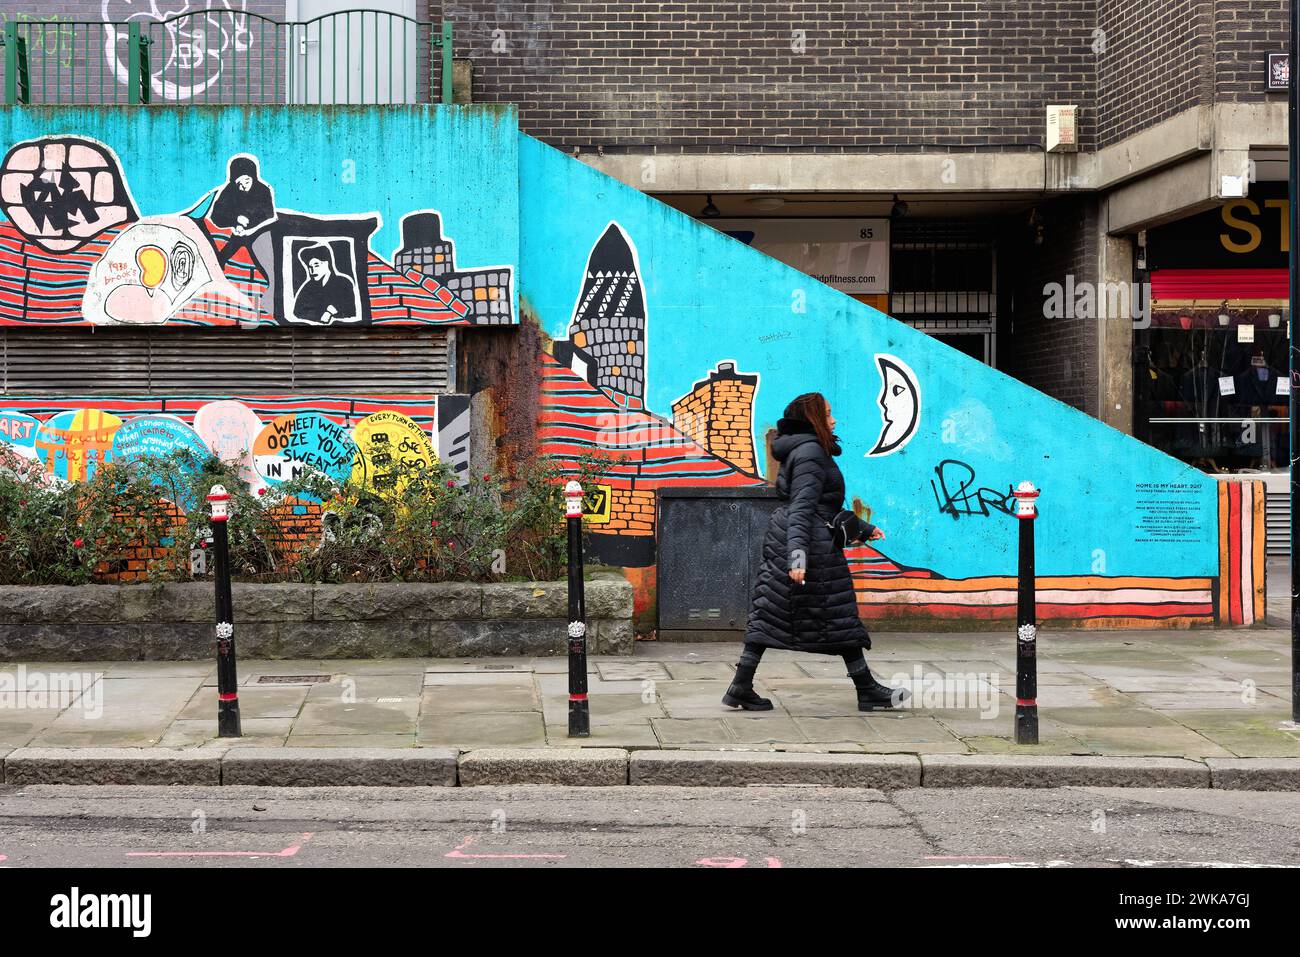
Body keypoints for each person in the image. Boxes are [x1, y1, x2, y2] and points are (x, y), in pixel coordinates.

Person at [723, 392, 909, 712]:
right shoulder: (810, 453)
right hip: (807, 543)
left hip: (799, 539)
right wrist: (798, 557)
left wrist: (862, 530)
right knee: (837, 616)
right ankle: (866, 689)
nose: (833, 420)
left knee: (773, 614)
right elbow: (802, 508)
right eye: (827, 414)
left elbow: (820, 505)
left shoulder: (804, 449)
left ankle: (740, 686)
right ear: (812, 419)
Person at [211, 156, 276, 265]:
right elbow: (215, 216)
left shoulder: (263, 190)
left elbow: (268, 215)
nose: (244, 186)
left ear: (253, 177)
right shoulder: (229, 191)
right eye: (239, 184)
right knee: (220, 259)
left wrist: (248, 225)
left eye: (247, 181)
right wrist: (235, 220)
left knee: (265, 262)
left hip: (258, 233)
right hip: (238, 234)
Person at [291, 243, 357, 325]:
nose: (312, 271)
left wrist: (332, 312)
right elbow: (297, 312)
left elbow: (351, 312)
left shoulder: (344, 283)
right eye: (310, 267)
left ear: (327, 263)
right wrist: (321, 315)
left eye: (316, 265)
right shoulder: (308, 286)